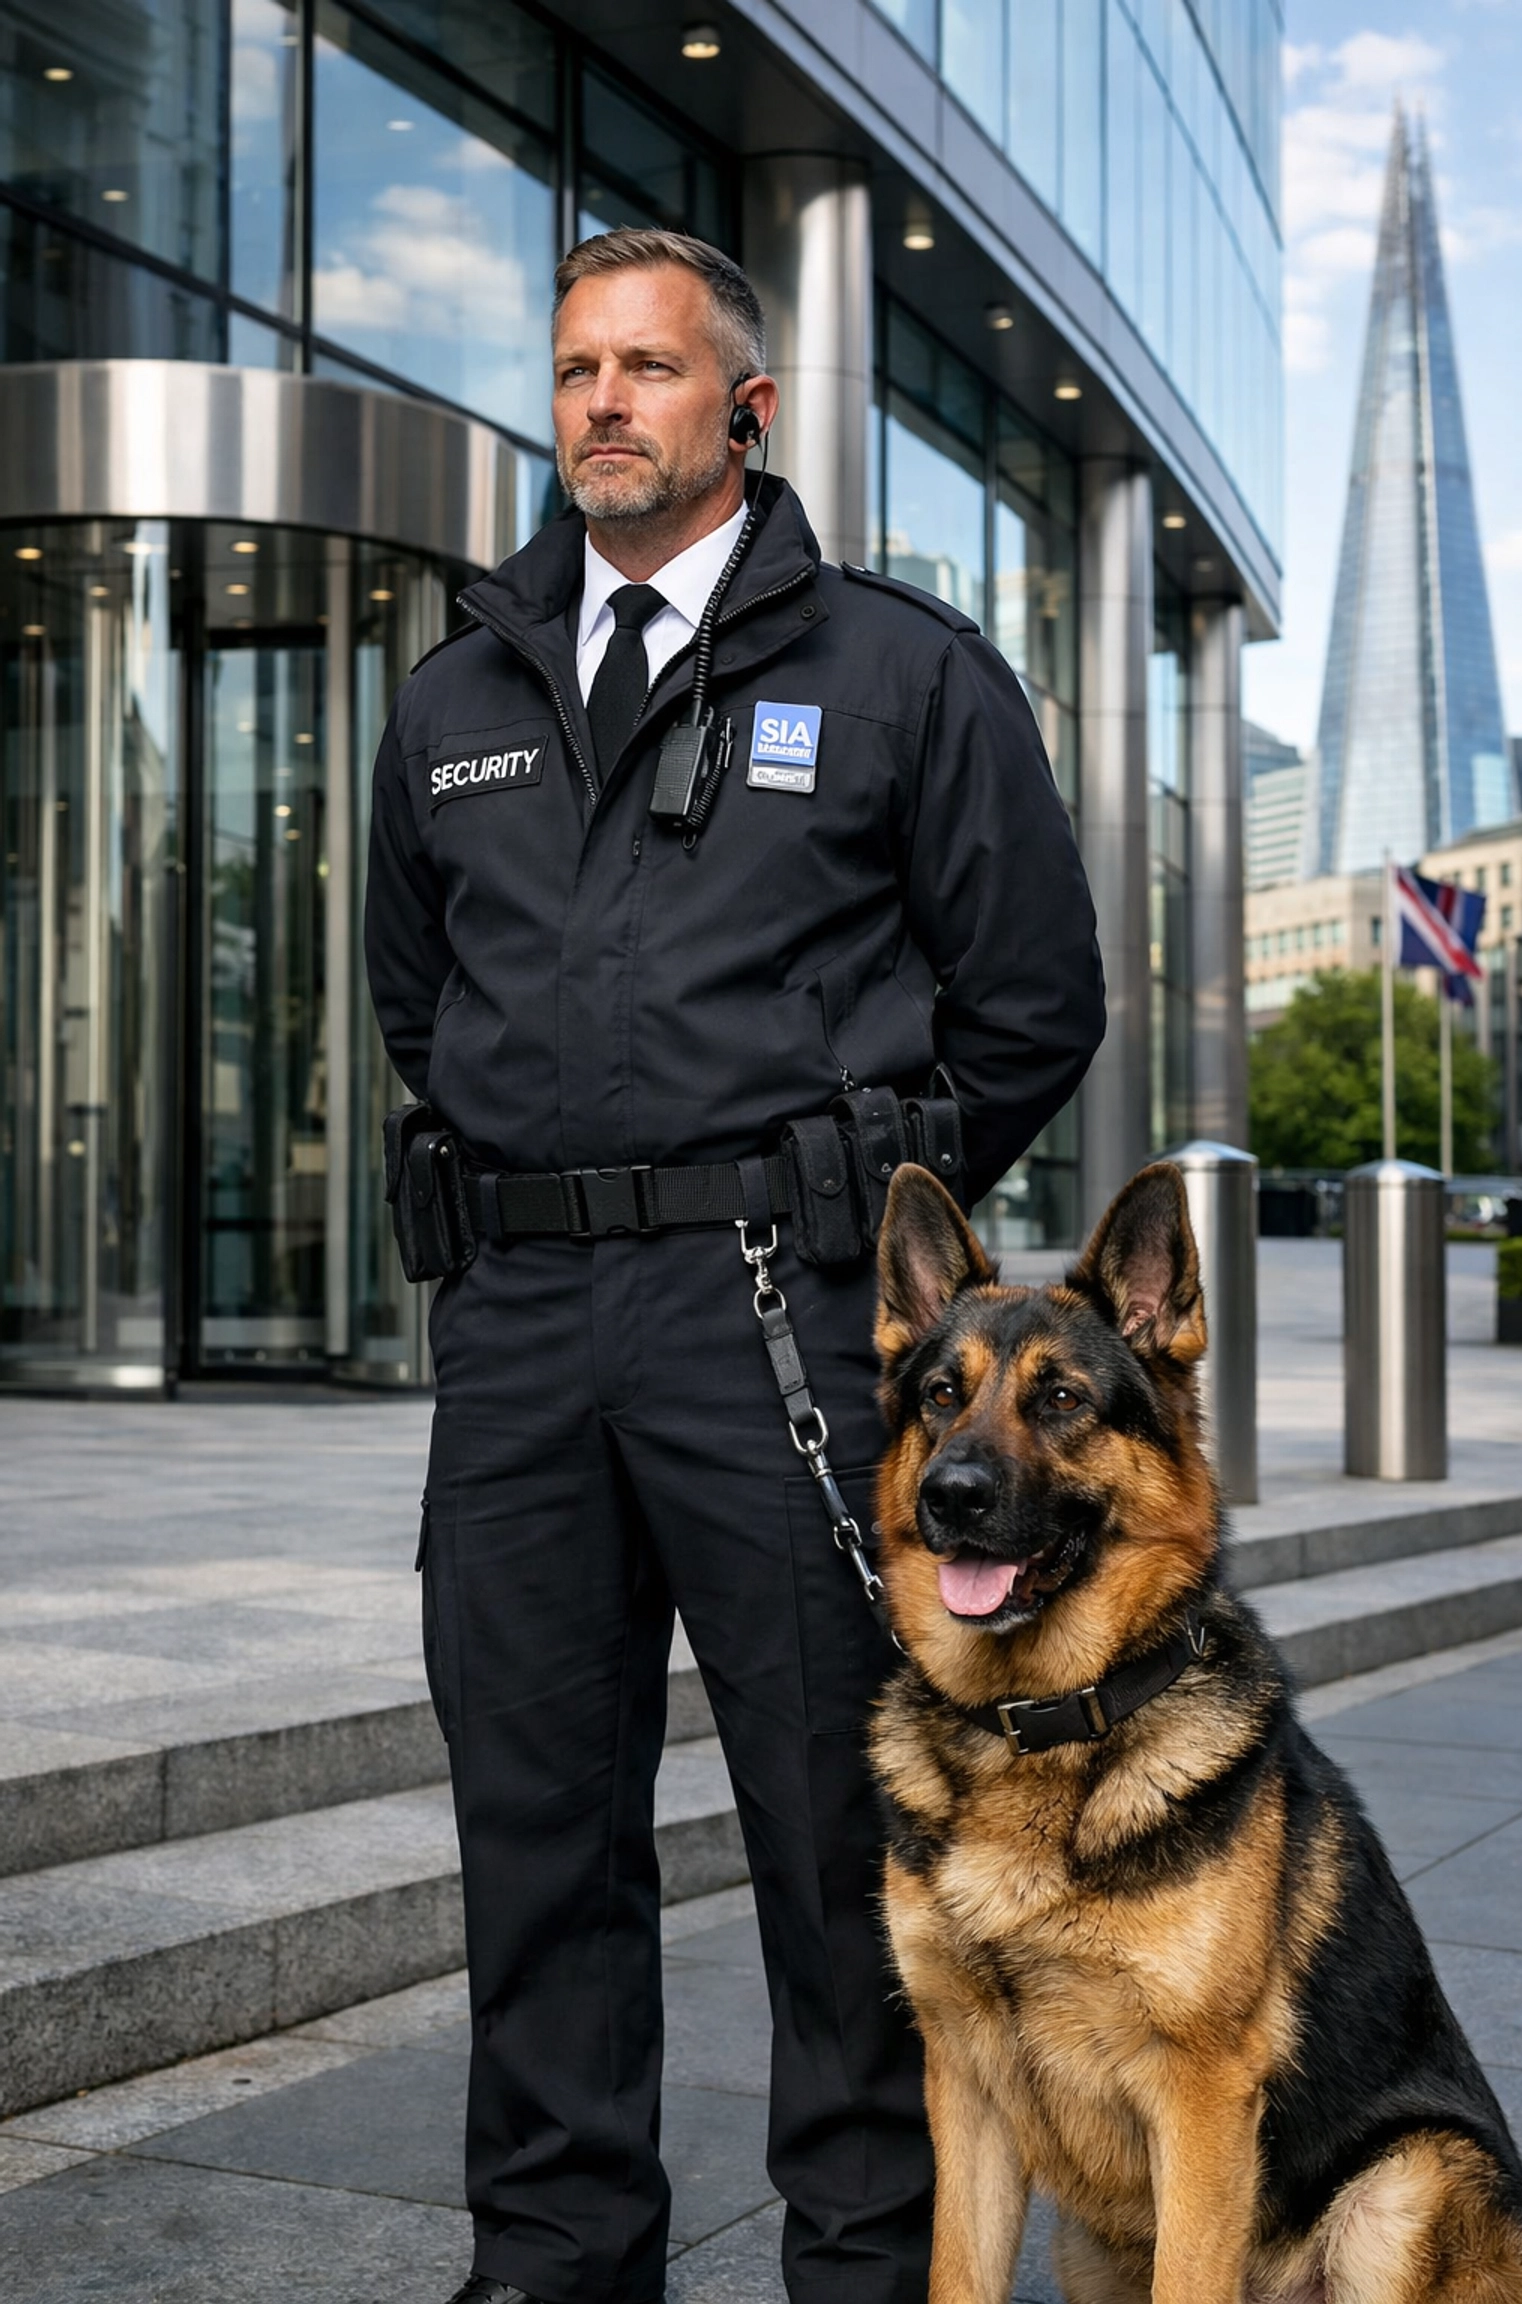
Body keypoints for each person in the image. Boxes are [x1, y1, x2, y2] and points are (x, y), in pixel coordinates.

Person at [364, 226, 1104, 2304]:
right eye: (577, 369)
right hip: (521, 1330)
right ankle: (554, 2256)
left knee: (832, 1829)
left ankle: (863, 2273)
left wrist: (858, 1218)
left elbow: (1032, 1003)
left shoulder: (898, 670)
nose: (605, 403)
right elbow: (421, 1001)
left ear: (747, 406)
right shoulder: (455, 693)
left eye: (651, 368)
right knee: (531, 1826)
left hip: (780, 1324)